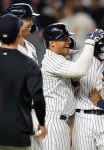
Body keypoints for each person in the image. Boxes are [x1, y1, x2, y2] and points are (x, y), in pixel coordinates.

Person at [32, 23, 104, 150]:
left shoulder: (60, 58)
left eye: (68, 38)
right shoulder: (52, 59)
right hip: (52, 121)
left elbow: (79, 55)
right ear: (51, 43)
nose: (68, 41)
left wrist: (97, 47)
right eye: (63, 38)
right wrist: (90, 43)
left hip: (50, 120)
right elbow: (80, 70)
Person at [0, 14, 47, 150]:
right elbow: (38, 98)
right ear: (18, 33)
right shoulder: (29, 64)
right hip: (17, 130)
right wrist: (42, 123)